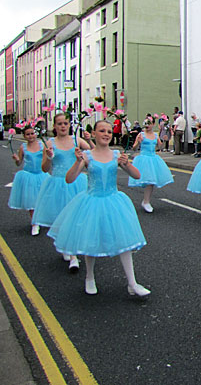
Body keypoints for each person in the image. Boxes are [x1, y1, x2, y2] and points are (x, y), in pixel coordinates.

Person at [48, 120, 150, 297]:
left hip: (114, 202)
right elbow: (69, 179)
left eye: (109, 132)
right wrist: (77, 162)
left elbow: (137, 176)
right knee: (91, 238)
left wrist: (127, 164)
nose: (106, 134)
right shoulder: (87, 155)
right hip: (92, 201)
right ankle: (90, 277)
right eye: (102, 131)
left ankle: (132, 283)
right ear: (94, 134)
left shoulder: (117, 155)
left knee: (124, 241)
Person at [32, 113, 92, 272]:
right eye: (59, 124)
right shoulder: (50, 143)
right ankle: (68, 249)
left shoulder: (76, 140)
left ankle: (72, 256)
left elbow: (93, 153)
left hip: (75, 182)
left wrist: (90, 139)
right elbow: (44, 168)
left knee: (74, 218)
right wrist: (50, 157)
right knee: (62, 217)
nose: (63, 126)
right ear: (55, 126)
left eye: (65, 123)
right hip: (57, 183)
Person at [128, 116, 174, 212]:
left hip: (153, 158)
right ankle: (146, 201)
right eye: (146, 123)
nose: (147, 125)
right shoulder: (141, 134)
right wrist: (138, 143)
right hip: (143, 159)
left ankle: (146, 201)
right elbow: (134, 148)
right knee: (147, 180)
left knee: (151, 181)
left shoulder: (156, 135)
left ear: (153, 124)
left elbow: (159, 146)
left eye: (149, 123)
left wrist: (165, 140)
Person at [8, 125, 48, 235]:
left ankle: (42, 219)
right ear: (24, 136)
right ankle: (34, 223)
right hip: (29, 176)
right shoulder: (23, 147)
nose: (31, 136)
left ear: (35, 134)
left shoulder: (42, 145)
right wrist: (16, 160)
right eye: (28, 134)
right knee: (31, 201)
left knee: (42, 199)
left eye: (32, 133)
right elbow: (19, 163)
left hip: (41, 175)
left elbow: (46, 160)